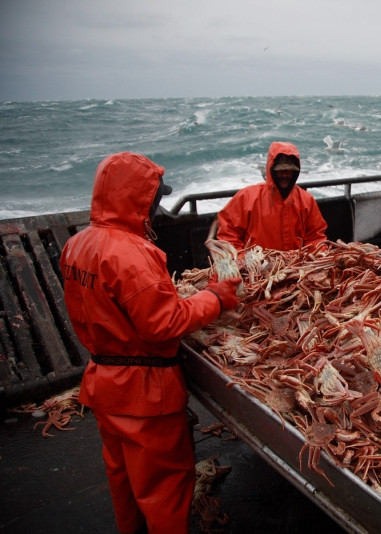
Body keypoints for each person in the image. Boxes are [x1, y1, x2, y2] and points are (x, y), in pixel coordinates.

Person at [60, 152, 241, 534]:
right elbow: (165, 322)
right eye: (154, 199)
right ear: (138, 199)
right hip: (146, 394)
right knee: (164, 490)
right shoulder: (132, 253)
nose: (156, 208)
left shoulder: (76, 245)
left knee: (123, 479)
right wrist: (217, 297)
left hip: (104, 383)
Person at [216, 141, 328, 252]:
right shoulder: (247, 197)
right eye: (280, 171)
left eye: (289, 171)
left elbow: (315, 238)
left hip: (296, 267)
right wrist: (242, 261)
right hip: (256, 266)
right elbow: (228, 234)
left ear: (296, 172)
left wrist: (319, 255)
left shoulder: (306, 200)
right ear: (271, 170)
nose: (285, 175)